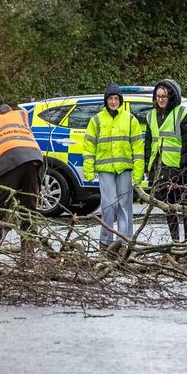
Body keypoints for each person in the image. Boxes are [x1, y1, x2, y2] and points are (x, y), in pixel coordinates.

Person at [81, 84, 144, 252]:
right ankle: (105, 242)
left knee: (125, 206)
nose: (113, 101)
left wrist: (138, 173)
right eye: (110, 98)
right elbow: (88, 146)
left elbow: (138, 147)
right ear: (106, 100)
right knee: (109, 206)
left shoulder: (130, 119)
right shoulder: (96, 120)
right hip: (105, 169)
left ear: (120, 100)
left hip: (125, 168)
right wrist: (88, 170)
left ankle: (124, 242)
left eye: (116, 98)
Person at [0, 103, 42, 252]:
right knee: (29, 210)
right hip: (34, 159)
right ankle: (28, 257)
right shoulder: (19, 116)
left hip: (7, 161)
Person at [143, 79, 187, 244]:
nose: (160, 99)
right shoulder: (151, 116)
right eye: (158, 96)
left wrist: (184, 168)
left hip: (178, 167)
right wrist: (147, 165)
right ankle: (175, 241)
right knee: (168, 207)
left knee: (185, 206)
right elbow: (149, 143)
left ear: (171, 97)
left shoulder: (182, 113)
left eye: (164, 96)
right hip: (159, 167)